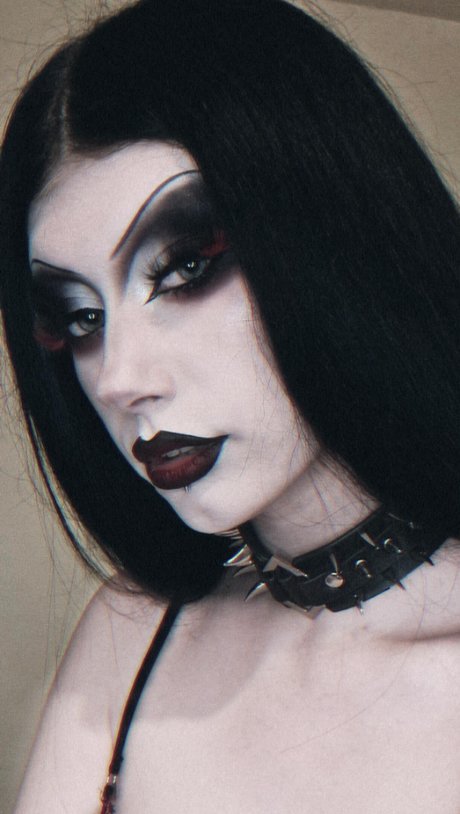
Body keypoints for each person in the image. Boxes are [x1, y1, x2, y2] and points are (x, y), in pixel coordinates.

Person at [2, 0, 460, 810]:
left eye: (183, 268)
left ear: (337, 234)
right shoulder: (132, 632)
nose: (117, 378)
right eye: (80, 319)